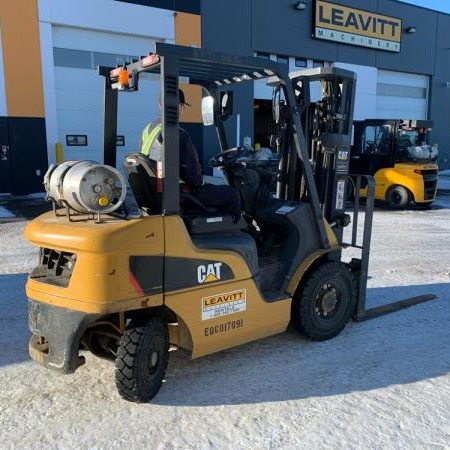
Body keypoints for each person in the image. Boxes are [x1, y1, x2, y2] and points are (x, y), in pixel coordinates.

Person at [140, 89, 241, 219]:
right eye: (182, 106)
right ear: (179, 106)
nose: (182, 109)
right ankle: (233, 233)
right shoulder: (178, 134)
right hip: (181, 194)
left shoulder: (148, 129)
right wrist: (199, 181)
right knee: (232, 194)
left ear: (160, 104)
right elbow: (194, 177)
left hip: (158, 190)